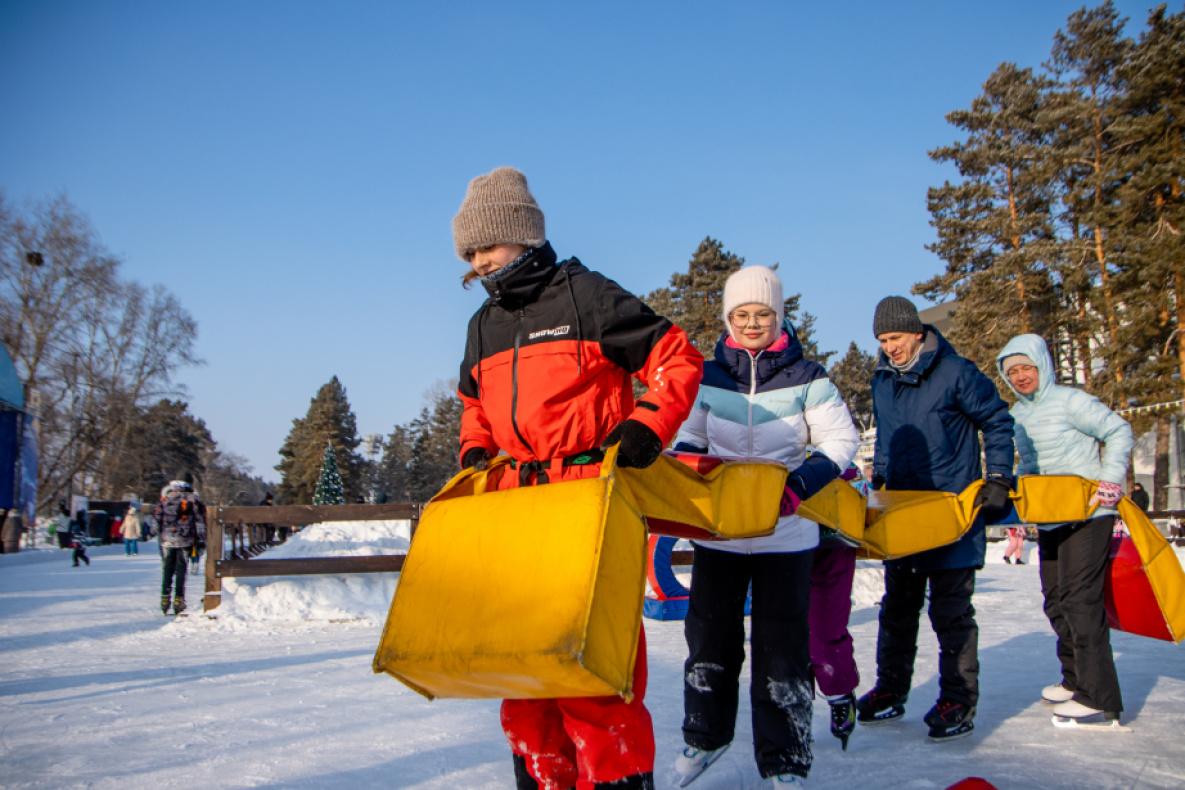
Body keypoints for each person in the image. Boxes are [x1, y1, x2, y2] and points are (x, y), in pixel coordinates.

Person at [453, 167, 702, 790]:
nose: (477, 261)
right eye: (469, 253)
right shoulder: (484, 324)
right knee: (523, 673)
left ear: (522, 234)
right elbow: (473, 404)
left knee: (593, 672)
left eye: (485, 245)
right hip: (515, 512)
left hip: (589, 502)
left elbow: (676, 357)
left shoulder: (586, 296)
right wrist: (476, 451)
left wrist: (648, 425)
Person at [671, 266, 859, 787]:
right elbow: (689, 437)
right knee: (708, 639)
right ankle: (705, 737)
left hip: (788, 533)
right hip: (722, 531)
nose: (752, 323)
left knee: (783, 650)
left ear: (779, 317)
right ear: (728, 318)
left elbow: (839, 444)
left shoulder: (809, 376)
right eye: (741, 315)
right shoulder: (710, 376)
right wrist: (687, 471)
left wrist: (800, 485)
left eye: (762, 314)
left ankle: (786, 760)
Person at [857, 296, 1014, 741]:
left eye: (896, 338)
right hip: (903, 516)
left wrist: (999, 476)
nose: (890, 348)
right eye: (883, 340)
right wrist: (880, 488)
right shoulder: (883, 380)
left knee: (951, 614)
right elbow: (885, 440)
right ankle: (890, 691)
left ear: (918, 332)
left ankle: (958, 701)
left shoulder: (956, 372)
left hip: (951, 513)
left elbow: (998, 421)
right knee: (897, 610)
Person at [996, 334, 1133, 725]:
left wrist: (1110, 479)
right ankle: (1075, 680)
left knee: (1079, 599)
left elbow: (1119, 430)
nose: (1021, 376)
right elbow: (1029, 467)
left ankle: (1097, 694)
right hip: (1051, 514)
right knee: (1055, 598)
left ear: (1043, 366)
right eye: (1013, 372)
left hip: (1090, 513)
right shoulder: (1018, 415)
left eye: (1027, 368)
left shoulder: (1072, 401)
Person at [809, 464, 867, 752]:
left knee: (826, 624)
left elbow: (858, 488)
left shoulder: (836, 444)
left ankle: (840, 693)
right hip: (785, 538)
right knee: (786, 627)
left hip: (834, 541)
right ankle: (794, 702)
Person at [155, 478, 207, 616]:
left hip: (167, 539)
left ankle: (165, 598)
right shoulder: (193, 499)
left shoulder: (165, 499)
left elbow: (156, 520)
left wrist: (161, 533)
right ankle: (179, 600)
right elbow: (200, 521)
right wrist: (201, 539)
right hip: (185, 538)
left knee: (167, 568)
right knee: (181, 569)